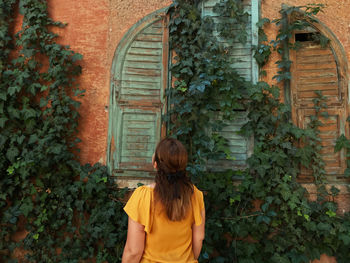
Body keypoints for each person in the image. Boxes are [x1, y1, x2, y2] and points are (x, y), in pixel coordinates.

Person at [121, 138, 205, 263]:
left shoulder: (143, 196)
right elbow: (199, 238)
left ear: (155, 164)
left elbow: (134, 251)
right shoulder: (195, 195)